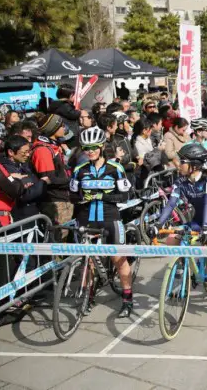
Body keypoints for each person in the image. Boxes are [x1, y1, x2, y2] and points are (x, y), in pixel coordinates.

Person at [155, 143, 207, 321]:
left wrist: (205, 227)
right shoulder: (180, 180)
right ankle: (184, 268)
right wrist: (158, 224)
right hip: (197, 221)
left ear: (194, 165)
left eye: (182, 161)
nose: (178, 163)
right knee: (172, 239)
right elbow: (171, 204)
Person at [70, 127, 134, 317]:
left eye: (94, 147)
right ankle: (88, 296)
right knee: (87, 261)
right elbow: (72, 196)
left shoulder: (116, 169)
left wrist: (102, 196)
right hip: (85, 218)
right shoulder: (79, 170)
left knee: (118, 259)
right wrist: (81, 198)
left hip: (110, 218)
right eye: (86, 148)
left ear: (102, 147)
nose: (90, 151)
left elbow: (125, 195)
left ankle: (127, 299)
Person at [31, 113, 73, 227]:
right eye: (61, 125)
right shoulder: (43, 150)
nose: (64, 128)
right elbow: (48, 179)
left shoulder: (53, 146)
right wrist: (72, 181)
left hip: (63, 198)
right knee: (59, 239)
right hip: (54, 201)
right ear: (53, 129)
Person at [0, 135, 45, 221]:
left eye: (29, 151)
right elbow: (23, 194)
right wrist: (43, 183)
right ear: (11, 152)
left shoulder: (23, 165)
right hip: (20, 216)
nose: (28, 155)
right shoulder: (4, 169)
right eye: (25, 152)